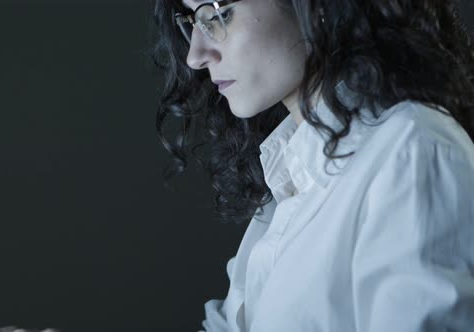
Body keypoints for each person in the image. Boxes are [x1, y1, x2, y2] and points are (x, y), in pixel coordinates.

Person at [151, 0, 474, 331]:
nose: (196, 55)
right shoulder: (286, 185)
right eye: (192, 21)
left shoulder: (414, 154)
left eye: (219, 14)